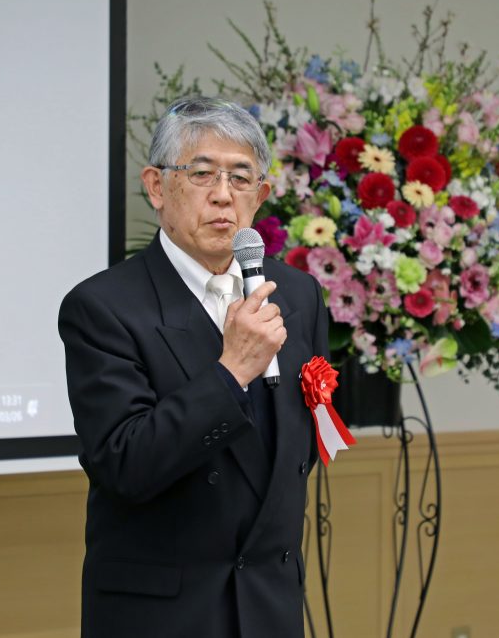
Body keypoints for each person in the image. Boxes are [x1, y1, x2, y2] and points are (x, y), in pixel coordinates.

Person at [59, 96, 329, 638]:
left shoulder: (298, 295)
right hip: (165, 613)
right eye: (202, 174)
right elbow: (125, 465)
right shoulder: (104, 307)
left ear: (262, 197)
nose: (223, 196)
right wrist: (231, 373)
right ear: (158, 187)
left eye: (241, 178)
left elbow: (296, 453)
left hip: (269, 605)